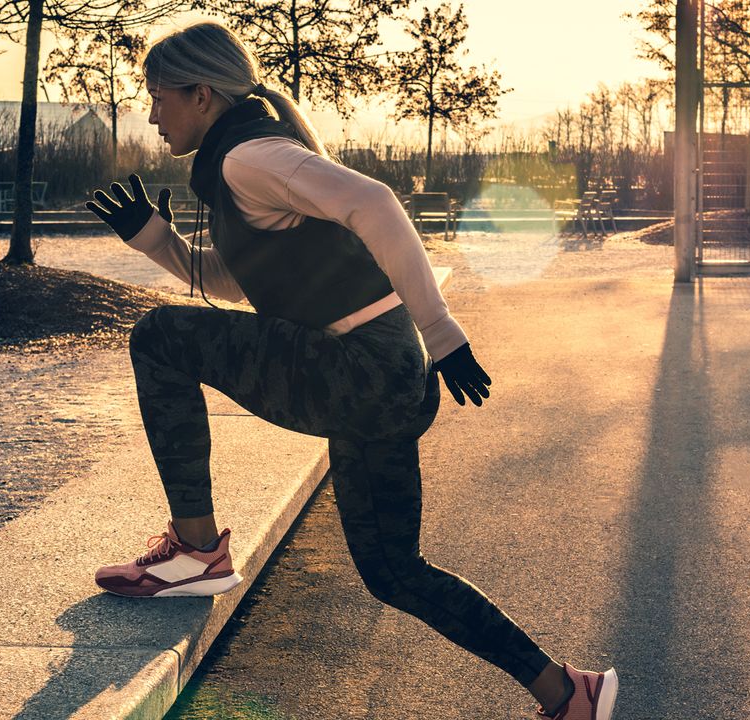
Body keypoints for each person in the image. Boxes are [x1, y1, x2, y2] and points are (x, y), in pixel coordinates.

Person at [84, 21, 618, 720]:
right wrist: (156, 240)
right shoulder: (249, 155)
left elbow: (377, 204)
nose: (152, 114)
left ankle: (194, 551)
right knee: (395, 573)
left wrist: (445, 330)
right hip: (383, 371)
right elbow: (234, 284)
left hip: (358, 365)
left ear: (203, 95)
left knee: (159, 336)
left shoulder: (249, 157)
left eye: (159, 97)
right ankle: (567, 693)